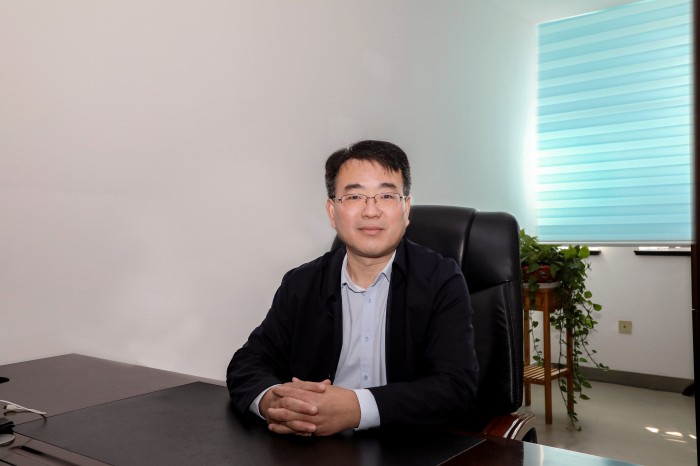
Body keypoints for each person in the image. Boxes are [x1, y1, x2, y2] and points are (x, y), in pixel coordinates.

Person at [226, 140, 478, 436]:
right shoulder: (302, 283)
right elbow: (247, 362)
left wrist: (356, 408)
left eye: (387, 195)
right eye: (355, 196)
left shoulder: (441, 279)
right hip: (313, 448)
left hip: (409, 446)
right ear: (332, 212)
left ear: (406, 209)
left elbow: (455, 387)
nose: (371, 211)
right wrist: (274, 402)